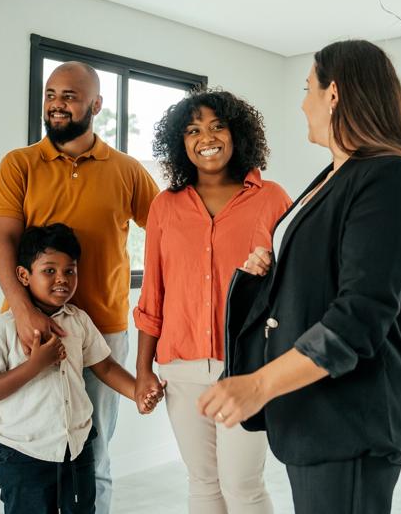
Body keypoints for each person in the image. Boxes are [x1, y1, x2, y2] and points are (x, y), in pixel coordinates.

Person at [198, 40, 401, 514]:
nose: (302, 102)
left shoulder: (387, 179)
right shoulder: (333, 174)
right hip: (311, 416)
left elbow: (358, 318)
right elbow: (320, 281)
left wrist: (259, 384)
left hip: (348, 422)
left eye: (308, 88)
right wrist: (265, 275)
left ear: (334, 95)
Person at [0, 61, 159, 513]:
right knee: (34, 451)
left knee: (94, 456)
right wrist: (24, 313)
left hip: (103, 330)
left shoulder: (126, 170)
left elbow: (168, 230)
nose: (57, 104)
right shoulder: (18, 164)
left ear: (96, 105)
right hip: (35, 329)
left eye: (69, 96)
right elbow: (2, 245)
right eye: (51, 94)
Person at [134, 90, 290, 514]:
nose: (207, 137)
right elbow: (154, 294)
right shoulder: (165, 207)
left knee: (242, 485)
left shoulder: (271, 198)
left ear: (237, 133)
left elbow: (291, 285)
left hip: (245, 365)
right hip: (180, 368)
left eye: (217, 126)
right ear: (180, 143)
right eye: (193, 130)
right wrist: (142, 370)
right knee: (203, 484)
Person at [0, 224, 142, 514]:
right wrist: (35, 365)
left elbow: (106, 367)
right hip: (23, 456)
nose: (62, 279)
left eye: (69, 271)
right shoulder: (1, 329)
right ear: (24, 275)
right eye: (49, 271)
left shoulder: (78, 321)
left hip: (76, 449)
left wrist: (139, 392)